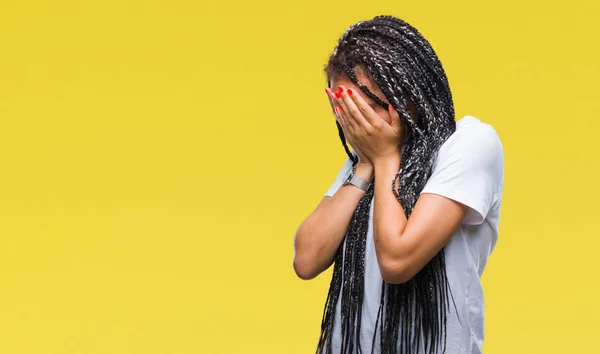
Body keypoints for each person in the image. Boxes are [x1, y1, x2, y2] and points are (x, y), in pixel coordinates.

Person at [292, 15, 505, 354]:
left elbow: (396, 261)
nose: (355, 120)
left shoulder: (469, 143)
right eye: (343, 108)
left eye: (364, 104)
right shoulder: (369, 158)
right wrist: (364, 165)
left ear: (408, 89)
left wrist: (386, 158)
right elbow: (306, 259)